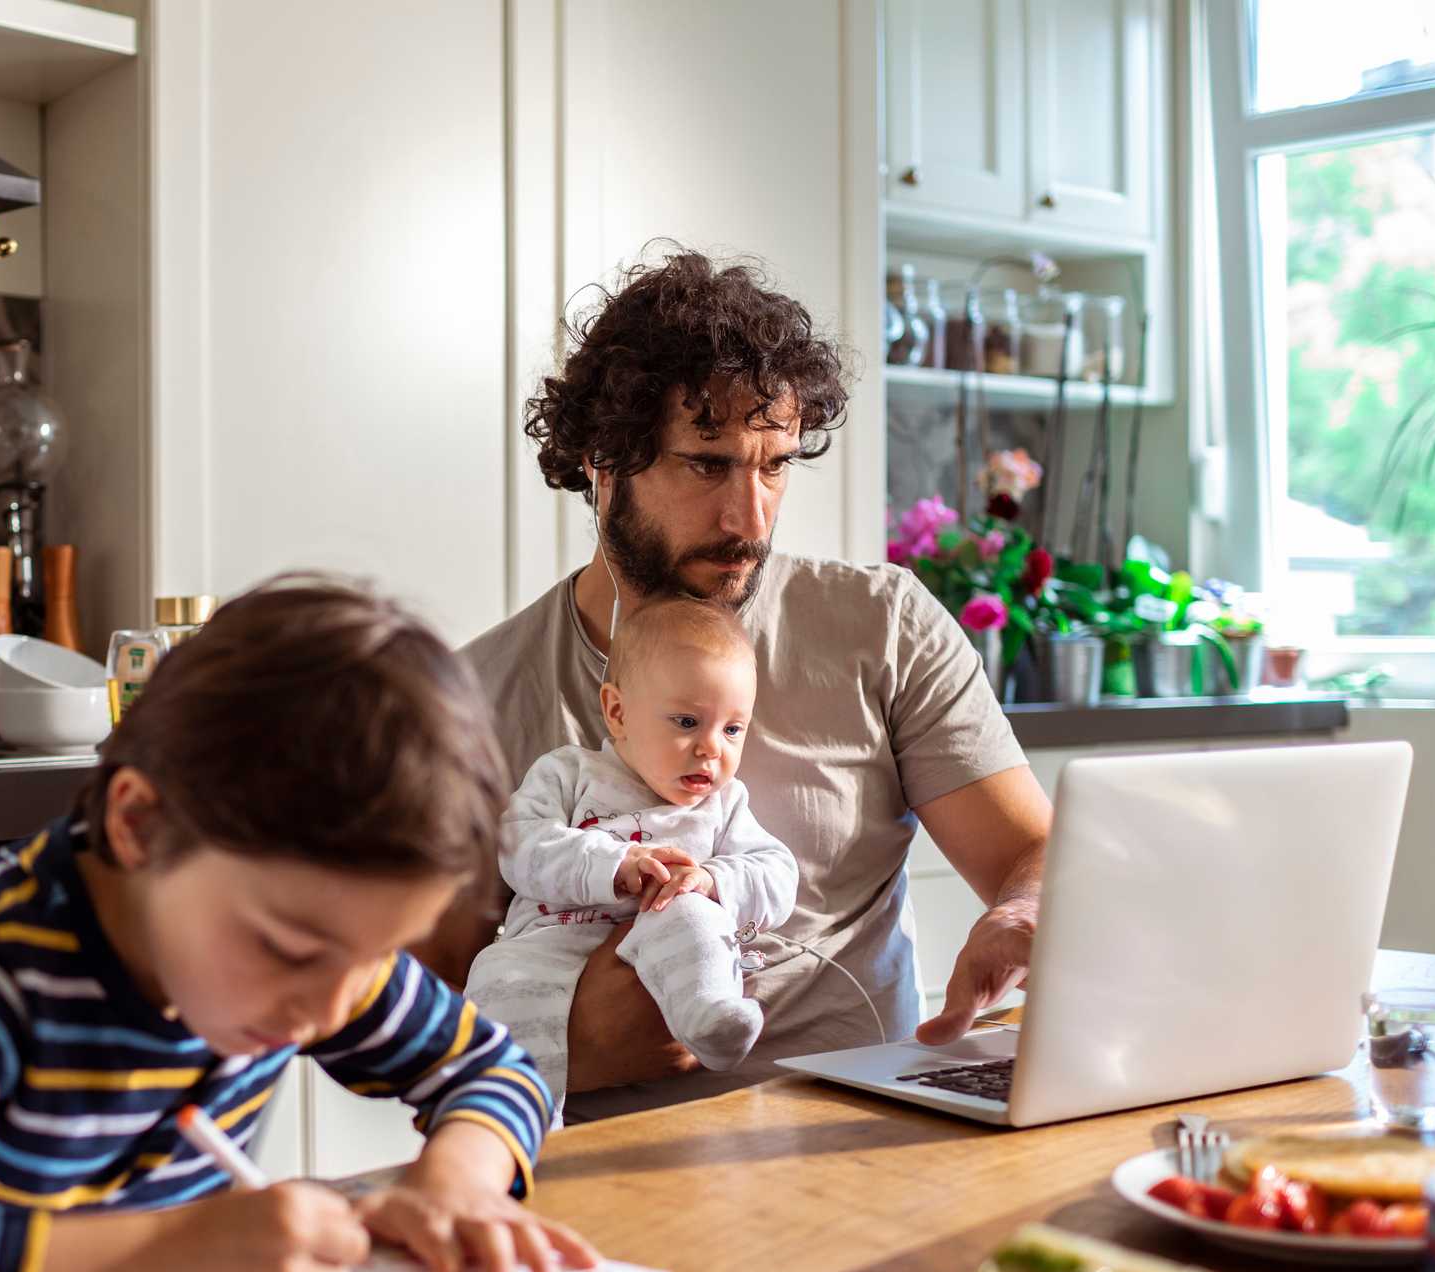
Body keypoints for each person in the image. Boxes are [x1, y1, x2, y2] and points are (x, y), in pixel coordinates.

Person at [0, 577, 595, 1272]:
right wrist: (166, 1256)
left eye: (372, 958)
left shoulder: (313, 960)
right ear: (140, 825)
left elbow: (495, 1068)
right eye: (289, 950)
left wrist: (460, 1182)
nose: (328, 1010)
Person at [439, 249, 1052, 1123]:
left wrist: (1023, 910)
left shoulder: (882, 624)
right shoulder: (473, 696)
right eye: (706, 464)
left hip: (864, 1137)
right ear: (602, 461)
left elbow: (1029, 854)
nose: (749, 519)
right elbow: (405, 1009)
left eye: (773, 465)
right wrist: (572, 1045)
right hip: (603, 1168)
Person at [466, 595, 798, 1106]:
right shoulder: (569, 773)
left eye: (732, 729)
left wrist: (712, 882)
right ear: (617, 713)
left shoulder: (724, 803)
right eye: (687, 722)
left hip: (662, 926)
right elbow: (519, 844)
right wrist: (612, 866)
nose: (712, 748)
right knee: (496, 980)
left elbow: (777, 872)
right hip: (553, 939)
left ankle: (708, 1014)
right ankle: (506, 1119)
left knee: (696, 918)